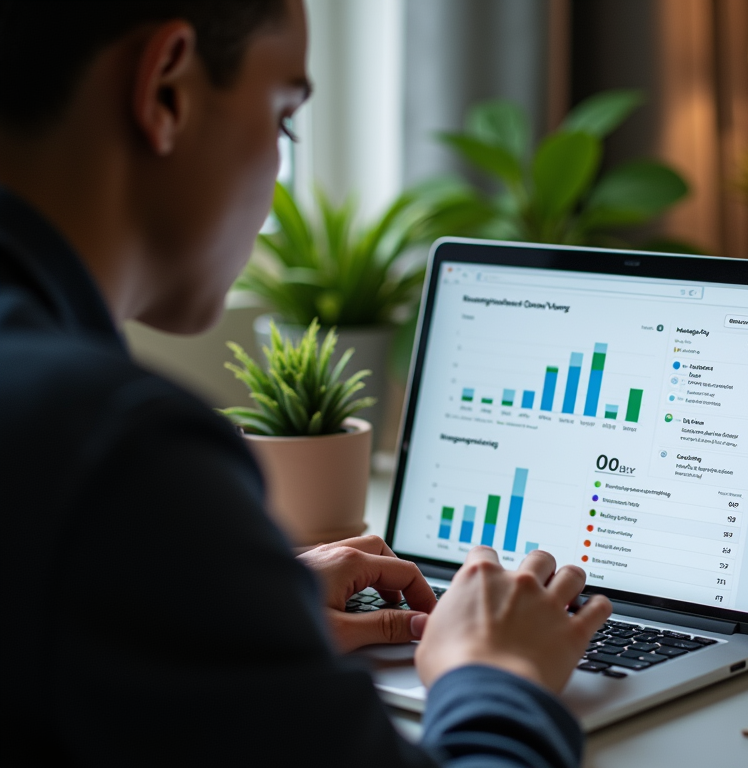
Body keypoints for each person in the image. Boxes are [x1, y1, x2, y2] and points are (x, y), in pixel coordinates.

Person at [0, 1, 613, 764]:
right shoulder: (118, 452)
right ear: (167, 91)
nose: (277, 175)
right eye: (285, 119)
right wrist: (496, 676)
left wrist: (222, 607)